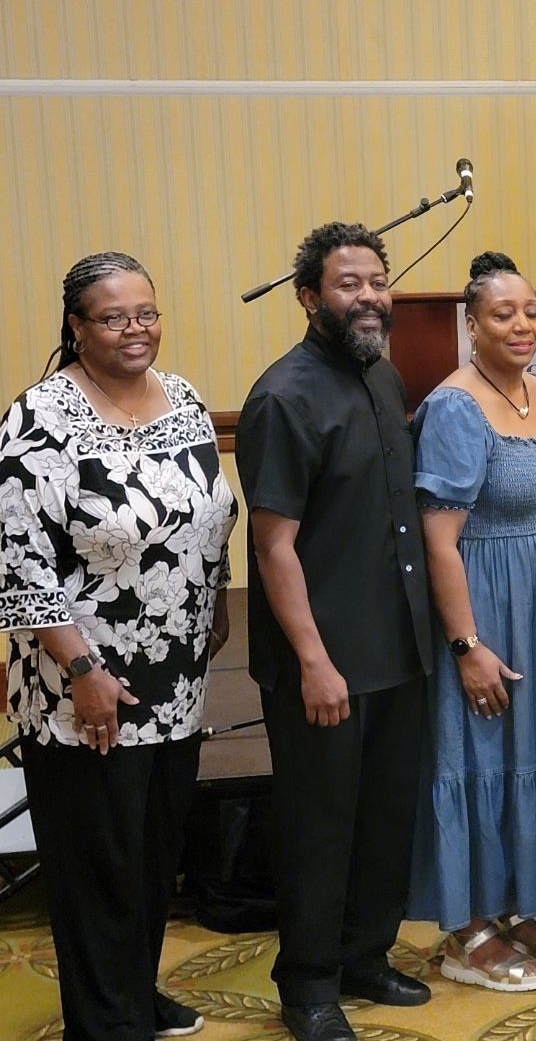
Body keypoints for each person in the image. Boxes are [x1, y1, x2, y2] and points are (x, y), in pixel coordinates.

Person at [0, 252, 236, 1039]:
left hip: (174, 675)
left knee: (151, 853)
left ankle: (130, 990)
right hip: (85, 684)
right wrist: (80, 668)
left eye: (147, 312)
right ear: (76, 325)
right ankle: (104, 1022)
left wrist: (218, 593)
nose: (136, 330)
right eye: (113, 316)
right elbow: (20, 560)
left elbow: (209, 510)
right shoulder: (41, 416)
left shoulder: (187, 397)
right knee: (97, 862)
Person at [236, 223, 433, 1041]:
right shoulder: (283, 396)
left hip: (399, 651)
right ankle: (308, 985)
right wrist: (315, 662)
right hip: (324, 663)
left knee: (387, 819)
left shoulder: (383, 376)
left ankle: (364, 956)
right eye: (349, 283)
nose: (369, 297)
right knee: (320, 827)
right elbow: (273, 545)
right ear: (310, 298)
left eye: (377, 281)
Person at [407, 251, 536, 993]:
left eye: (529, 312)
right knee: (479, 753)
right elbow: (438, 541)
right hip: (486, 604)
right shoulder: (456, 406)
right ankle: (465, 928)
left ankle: (515, 904)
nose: (521, 325)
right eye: (502, 313)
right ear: (471, 323)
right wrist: (468, 645)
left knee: (535, 746)